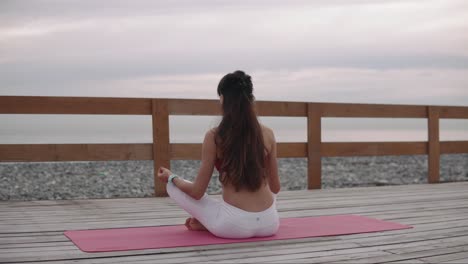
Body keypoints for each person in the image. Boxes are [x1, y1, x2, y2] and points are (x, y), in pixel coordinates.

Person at [157, 70, 280, 239]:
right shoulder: (268, 133)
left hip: (233, 226)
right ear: (251, 100)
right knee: (267, 194)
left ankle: (210, 222)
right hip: (270, 224)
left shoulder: (214, 136)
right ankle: (212, 221)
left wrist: (172, 177)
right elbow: (276, 188)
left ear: (223, 99)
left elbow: (197, 192)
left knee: (174, 187)